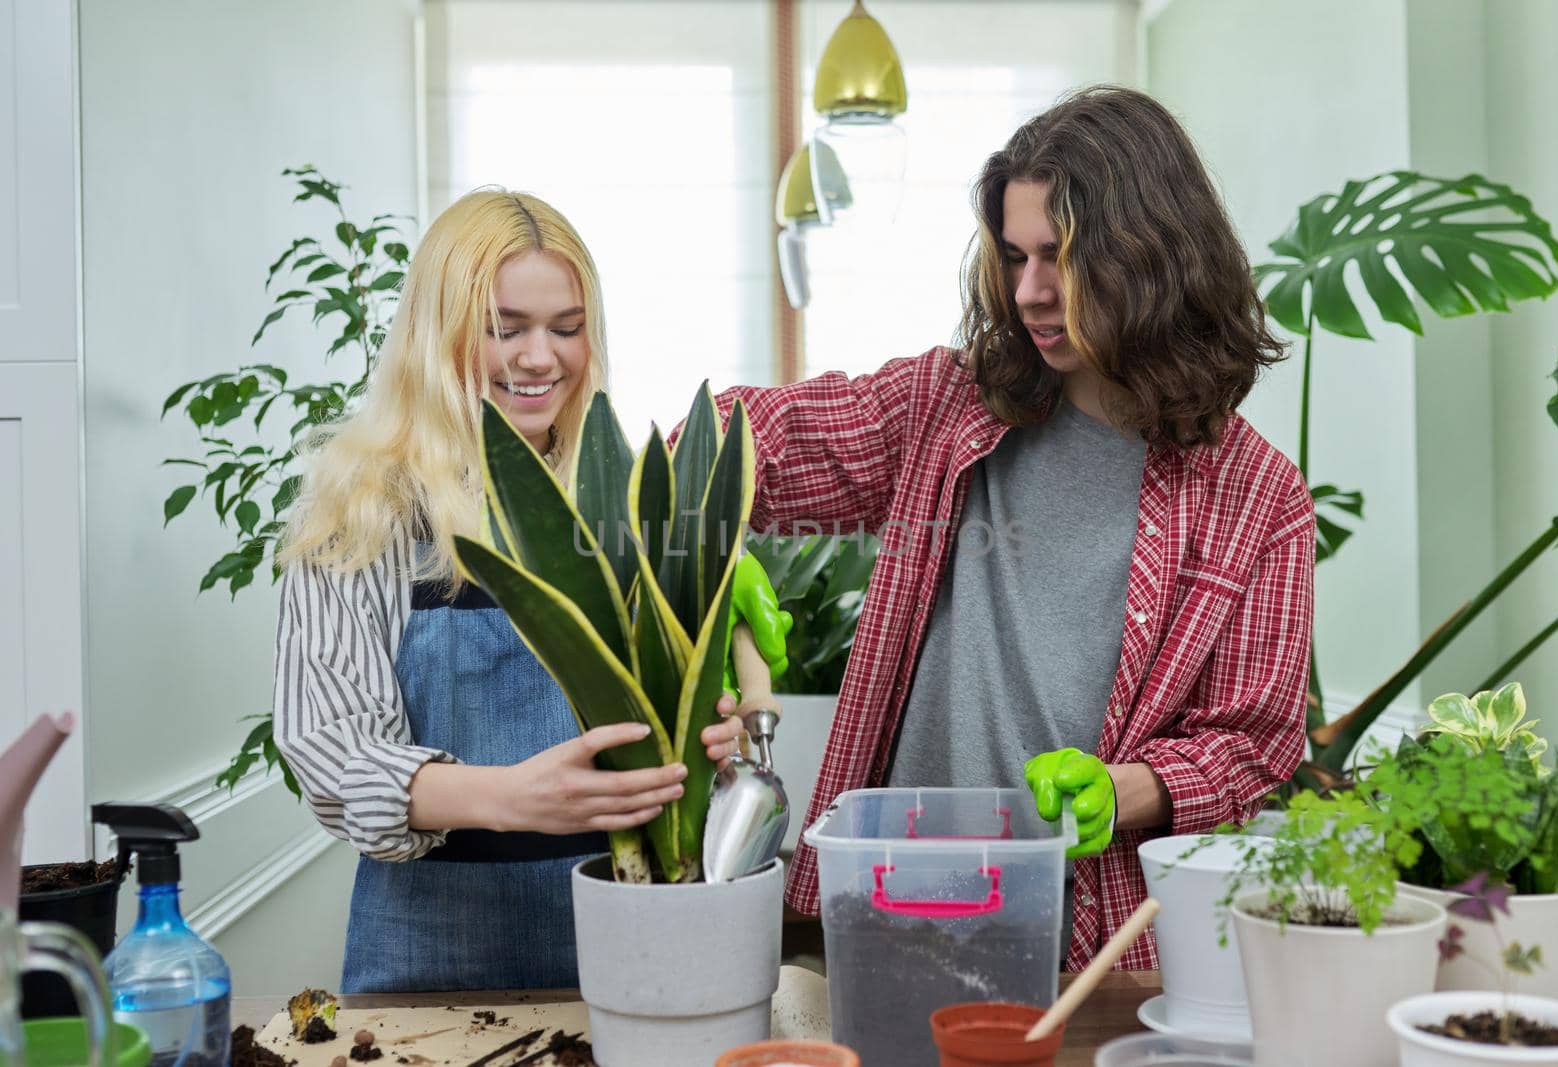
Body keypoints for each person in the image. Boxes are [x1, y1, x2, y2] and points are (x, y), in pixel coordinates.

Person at [697, 86, 1314, 969]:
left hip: (1088, 941)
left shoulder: (1257, 498)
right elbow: (747, 439)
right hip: (894, 907)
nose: (1029, 291)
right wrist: (701, 534)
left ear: (1151, 256)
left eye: (1061, 257)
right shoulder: (947, 408)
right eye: (1016, 255)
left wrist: (1124, 790)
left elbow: (1252, 746)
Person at [272, 190, 755, 992]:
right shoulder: (363, 511)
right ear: (438, 334)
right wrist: (512, 796)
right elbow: (332, 751)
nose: (541, 357)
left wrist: (705, 745)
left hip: (627, 947)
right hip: (430, 965)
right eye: (506, 328)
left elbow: (660, 721)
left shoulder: (624, 502)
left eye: (566, 328)